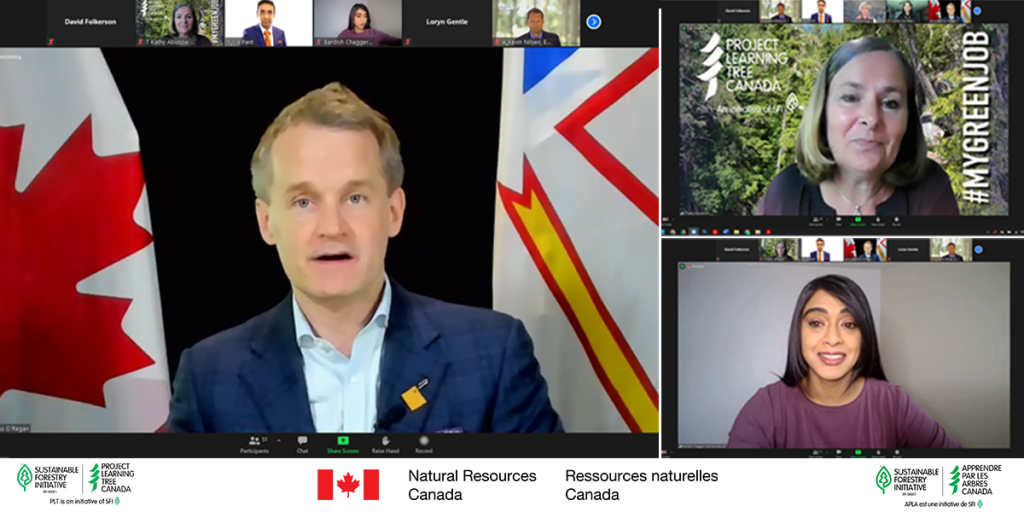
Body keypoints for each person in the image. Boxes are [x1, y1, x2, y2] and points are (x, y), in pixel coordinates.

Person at [162, 83, 562, 434]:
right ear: (267, 223)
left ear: (394, 212)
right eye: (304, 201)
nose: (332, 227)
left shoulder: (493, 353)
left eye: (355, 197)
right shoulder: (209, 377)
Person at [727, 275, 962, 449]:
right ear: (799, 332)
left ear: (864, 335)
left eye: (848, 324)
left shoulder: (895, 404)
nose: (832, 339)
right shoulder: (765, 408)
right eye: (817, 323)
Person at [758, 37, 959, 216]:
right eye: (850, 98)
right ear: (823, 110)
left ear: (908, 119)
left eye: (890, 103)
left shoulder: (931, 189)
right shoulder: (787, 192)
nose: (871, 118)